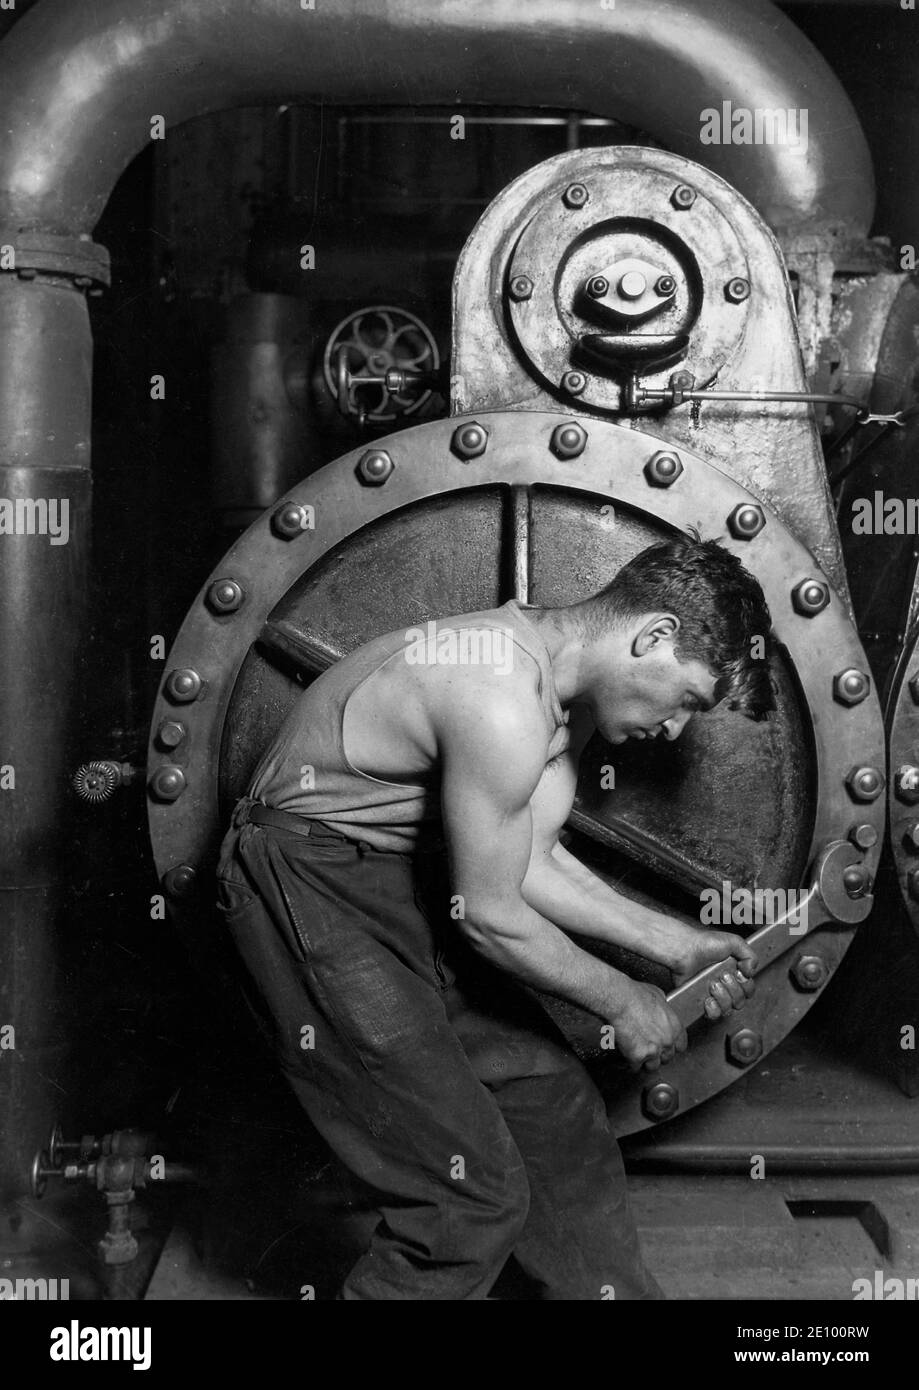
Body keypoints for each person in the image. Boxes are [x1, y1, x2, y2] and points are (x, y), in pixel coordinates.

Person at [216, 536, 774, 1300]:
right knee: (466, 1197)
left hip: (395, 881)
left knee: (553, 1111)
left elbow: (529, 861)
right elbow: (488, 913)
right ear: (652, 636)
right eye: (686, 701)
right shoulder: (497, 693)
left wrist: (676, 944)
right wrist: (625, 1000)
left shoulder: (558, 695)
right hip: (306, 883)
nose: (676, 731)